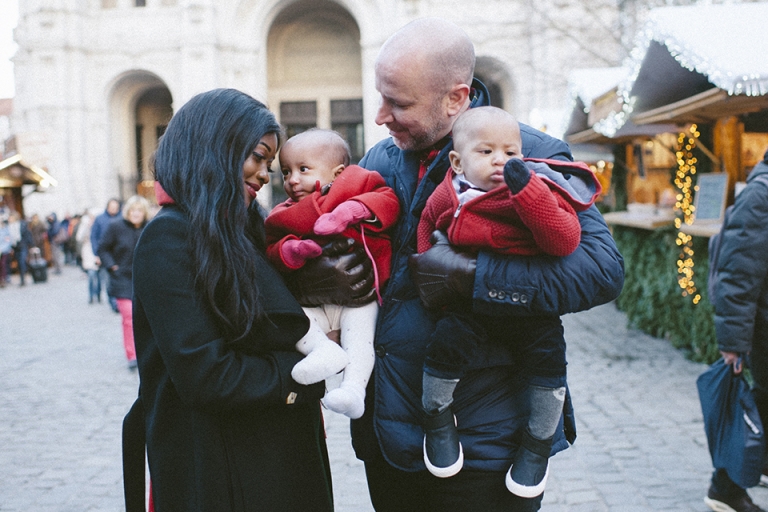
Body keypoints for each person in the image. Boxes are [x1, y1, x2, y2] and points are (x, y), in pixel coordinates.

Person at [285, 17, 624, 511]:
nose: (380, 116)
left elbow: (601, 270)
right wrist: (316, 278)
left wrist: (475, 278)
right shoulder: (380, 158)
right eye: (381, 97)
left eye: (399, 103)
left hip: (485, 446)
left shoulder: (529, 154)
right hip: (388, 439)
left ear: (455, 98)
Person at [122, 88, 333, 512]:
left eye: (269, 164)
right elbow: (206, 374)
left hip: (274, 456)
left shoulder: (244, 229)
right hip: (222, 467)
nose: (265, 175)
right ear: (215, 147)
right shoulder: (169, 236)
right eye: (257, 157)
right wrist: (302, 374)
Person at [415, 106, 601, 497]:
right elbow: (427, 222)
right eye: (486, 152)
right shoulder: (449, 193)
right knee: (446, 344)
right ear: (458, 162)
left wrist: (527, 191)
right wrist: (430, 273)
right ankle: (437, 414)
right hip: (469, 300)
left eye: (510, 153)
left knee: (548, 359)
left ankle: (537, 441)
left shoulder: (535, 189)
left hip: (530, 303)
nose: (500, 160)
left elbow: (565, 239)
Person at [265, 128, 399, 419]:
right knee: (298, 323)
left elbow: (387, 201)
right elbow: (271, 246)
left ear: (338, 173)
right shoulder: (283, 213)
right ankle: (322, 351)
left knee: (360, 337)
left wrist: (351, 211)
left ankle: (353, 389)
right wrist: (291, 250)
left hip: (360, 294)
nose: (292, 180)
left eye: (303, 169)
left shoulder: (357, 183)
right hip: (314, 300)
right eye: (286, 172)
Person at [706, 148, 768, 512]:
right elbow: (736, 275)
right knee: (758, 407)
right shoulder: (761, 195)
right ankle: (725, 488)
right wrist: (732, 343)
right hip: (763, 330)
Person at [98, 195, 151, 369]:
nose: (136, 213)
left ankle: (146, 352)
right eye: (133, 210)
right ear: (128, 211)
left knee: (145, 318)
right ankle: (132, 354)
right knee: (129, 317)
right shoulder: (116, 226)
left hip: (144, 279)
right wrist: (112, 266)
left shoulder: (149, 227)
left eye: (140, 210)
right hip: (122, 279)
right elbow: (102, 248)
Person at [91, 198, 121, 311]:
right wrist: (97, 254)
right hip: (105, 255)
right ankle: (113, 303)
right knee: (108, 281)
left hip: (119, 255)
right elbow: (94, 237)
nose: (114, 209)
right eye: (112, 207)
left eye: (116, 207)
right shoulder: (100, 219)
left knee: (120, 280)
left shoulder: (122, 218)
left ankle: (120, 302)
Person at [76, 208, 101, 303]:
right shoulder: (85, 225)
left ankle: (98, 294)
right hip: (88, 252)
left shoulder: (99, 225)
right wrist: (86, 227)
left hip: (98, 252)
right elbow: (79, 238)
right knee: (91, 274)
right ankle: (91, 295)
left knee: (98, 276)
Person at [8, 212, 33, 286]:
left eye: (11, 218)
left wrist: (32, 245)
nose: (9, 219)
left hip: (22, 245)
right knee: (19, 262)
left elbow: (28, 235)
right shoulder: (9, 227)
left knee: (22, 261)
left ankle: (23, 279)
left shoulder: (22, 224)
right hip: (15, 246)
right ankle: (23, 276)